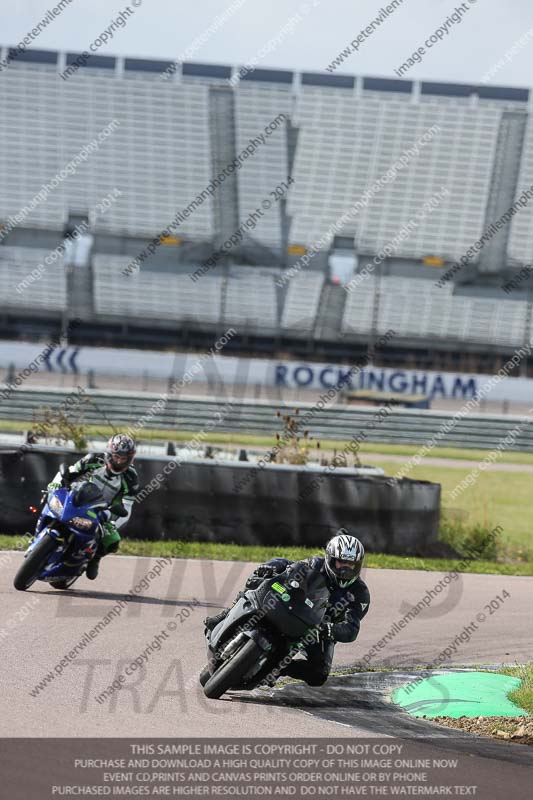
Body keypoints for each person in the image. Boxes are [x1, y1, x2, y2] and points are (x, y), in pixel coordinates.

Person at [204, 530, 370, 687]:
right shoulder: (314, 564)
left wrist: (330, 629)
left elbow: (351, 628)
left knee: (319, 674)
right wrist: (270, 568)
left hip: (319, 630)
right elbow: (287, 565)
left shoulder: (360, 594)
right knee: (259, 578)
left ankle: (277, 667)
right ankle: (226, 614)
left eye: (351, 565)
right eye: (341, 562)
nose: (345, 569)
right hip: (292, 606)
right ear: (330, 558)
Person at [46, 434, 139, 580]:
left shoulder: (131, 478)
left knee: (113, 540)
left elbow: (127, 507)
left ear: (130, 458)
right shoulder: (94, 459)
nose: (120, 461)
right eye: (117, 456)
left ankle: (95, 558)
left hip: (103, 510)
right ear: (110, 453)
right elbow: (70, 471)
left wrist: (113, 522)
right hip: (78, 497)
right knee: (52, 504)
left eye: (124, 458)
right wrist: (55, 484)